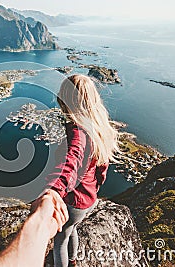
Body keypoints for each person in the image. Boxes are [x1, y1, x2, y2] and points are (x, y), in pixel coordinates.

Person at [44, 74, 119, 267]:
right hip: (88, 199)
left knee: (60, 240)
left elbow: (72, 161)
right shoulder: (98, 127)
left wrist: (54, 190)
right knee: (72, 228)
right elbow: (102, 168)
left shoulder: (78, 132)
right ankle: (73, 259)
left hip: (73, 201)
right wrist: (96, 186)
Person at [0, 189, 69, 267]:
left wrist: (41, 217)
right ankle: (72, 260)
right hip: (80, 208)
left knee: (61, 244)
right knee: (69, 234)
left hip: (70, 204)